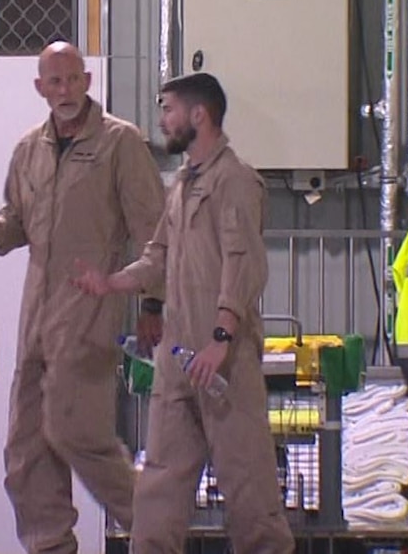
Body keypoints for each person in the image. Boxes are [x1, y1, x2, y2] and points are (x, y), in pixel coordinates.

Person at [72, 72, 295, 553]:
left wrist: (222, 337)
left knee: (250, 495)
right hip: (178, 367)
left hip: (224, 367)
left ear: (199, 115)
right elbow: (157, 257)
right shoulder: (181, 187)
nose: (162, 120)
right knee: (157, 495)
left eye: (168, 108)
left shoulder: (235, 182)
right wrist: (110, 282)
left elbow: (244, 264)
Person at [0, 41, 166, 554]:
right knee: (25, 449)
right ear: (40, 88)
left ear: (88, 81)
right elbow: (17, 226)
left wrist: (153, 304)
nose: (66, 90)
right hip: (36, 318)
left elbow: (154, 232)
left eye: (74, 79)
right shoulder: (29, 149)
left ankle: (159, 533)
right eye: (55, 81)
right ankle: (50, 546)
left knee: (78, 435)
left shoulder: (121, 144)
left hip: (90, 313)